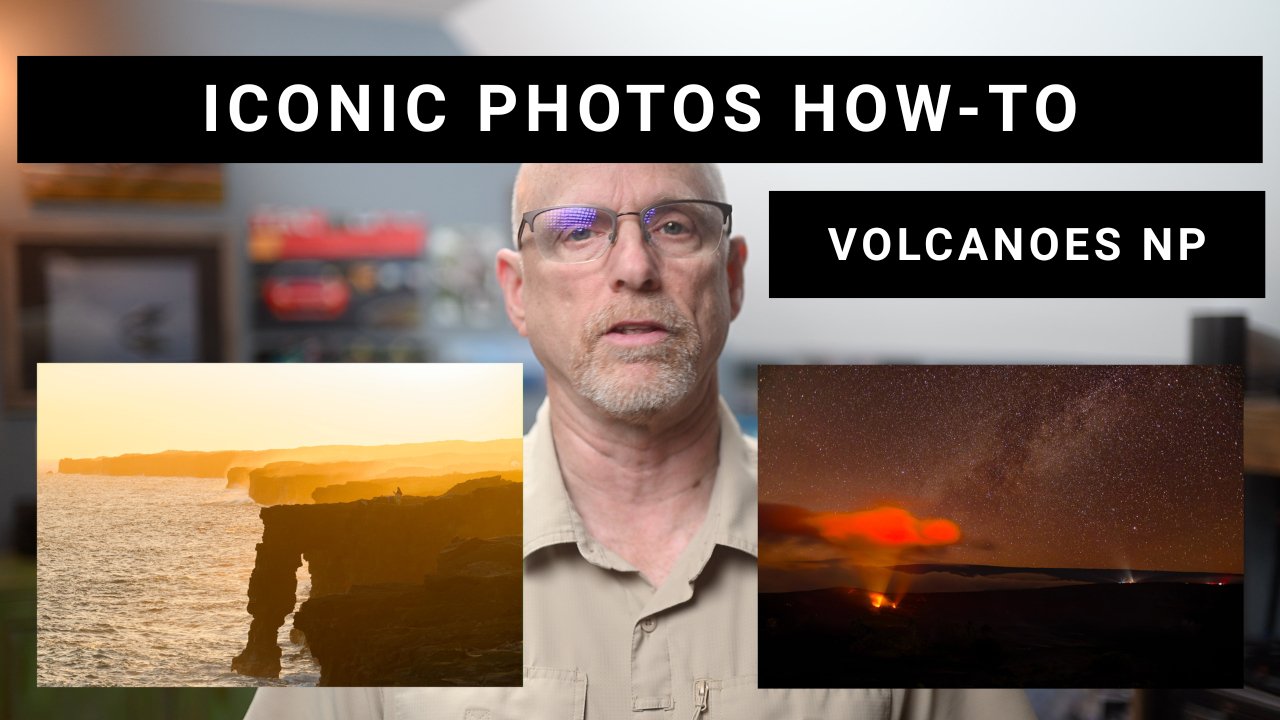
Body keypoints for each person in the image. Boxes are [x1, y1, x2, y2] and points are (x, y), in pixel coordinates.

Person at [243, 163, 1035, 719]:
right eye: (578, 232)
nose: (633, 267)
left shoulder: (887, 560)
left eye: (675, 226)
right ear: (518, 292)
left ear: (731, 278)